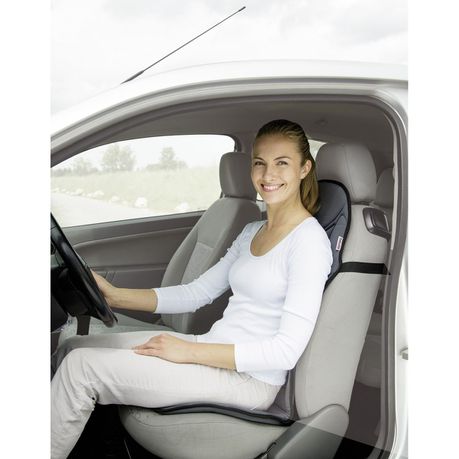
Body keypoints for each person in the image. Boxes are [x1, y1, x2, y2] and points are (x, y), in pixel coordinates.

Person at [51, 119, 333, 459]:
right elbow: (196, 293)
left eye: (282, 163)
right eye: (259, 162)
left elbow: (285, 352)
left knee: (81, 368)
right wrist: (115, 295)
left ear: (304, 168)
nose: (268, 174)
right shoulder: (253, 231)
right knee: (72, 346)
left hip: (250, 379)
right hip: (210, 348)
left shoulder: (308, 242)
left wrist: (188, 351)